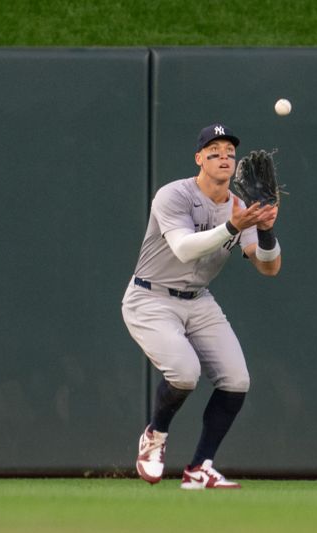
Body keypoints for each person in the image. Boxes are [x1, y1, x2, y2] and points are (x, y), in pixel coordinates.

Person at [121, 123, 281, 489]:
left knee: (237, 381)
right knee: (184, 373)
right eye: (214, 149)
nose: (223, 155)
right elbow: (182, 248)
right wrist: (231, 228)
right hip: (151, 297)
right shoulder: (173, 195)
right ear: (199, 158)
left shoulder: (240, 207)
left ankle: (199, 468)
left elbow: (268, 266)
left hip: (198, 300)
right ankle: (155, 436)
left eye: (229, 151)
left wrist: (267, 229)